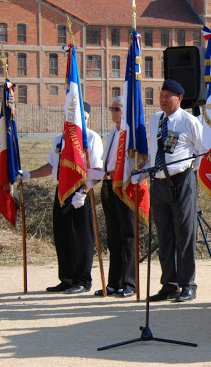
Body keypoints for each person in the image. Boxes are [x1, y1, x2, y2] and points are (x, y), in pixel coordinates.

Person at [19, 102, 103, 294]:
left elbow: (96, 169)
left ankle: (82, 280)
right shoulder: (59, 138)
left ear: (87, 117)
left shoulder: (91, 137)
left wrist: (83, 192)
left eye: (81, 115)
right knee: (62, 236)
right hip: (61, 191)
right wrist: (29, 174)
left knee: (81, 237)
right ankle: (67, 278)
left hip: (80, 192)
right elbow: (51, 166)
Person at [140, 79, 204, 303]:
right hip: (158, 183)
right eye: (161, 95)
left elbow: (201, 152)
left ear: (179, 98)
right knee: (165, 236)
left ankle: (188, 284)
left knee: (184, 235)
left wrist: (184, 172)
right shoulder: (156, 120)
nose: (163, 99)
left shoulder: (189, 121)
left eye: (168, 95)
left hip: (182, 181)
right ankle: (169, 284)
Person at [88, 96, 136, 298]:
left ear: (125, 111)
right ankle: (114, 282)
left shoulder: (130, 134)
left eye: (117, 108)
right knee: (113, 237)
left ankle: (129, 282)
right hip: (108, 185)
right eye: (111, 108)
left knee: (127, 236)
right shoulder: (113, 132)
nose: (113, 112)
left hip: (123, 187)